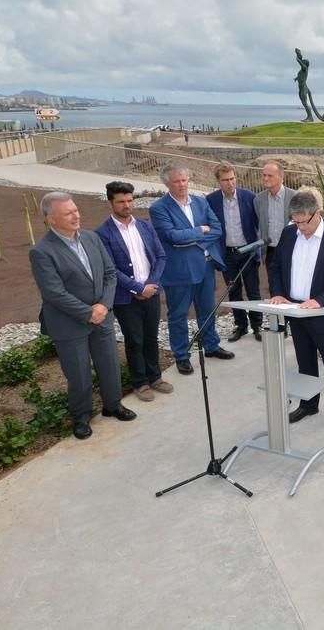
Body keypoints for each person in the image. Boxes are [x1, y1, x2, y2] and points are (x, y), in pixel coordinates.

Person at [30, 192, 136, 439]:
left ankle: (113, 405)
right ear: (51, 219)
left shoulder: (91, 238)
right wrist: (89, 312)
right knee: (78, 374)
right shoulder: (42, 252)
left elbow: (110, 274)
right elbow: (54, 292)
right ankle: (81, 416)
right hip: (69, 323)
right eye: (68, 213)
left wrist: (103, 306)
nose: (76, 215)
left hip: (102, 315)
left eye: (75, 210)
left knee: (109, 364)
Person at [268, 187, 324, 433]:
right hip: (296, 313)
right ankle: (309, 404)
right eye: (295, 222)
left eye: (303, 222)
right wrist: (277, 292)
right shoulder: (289, 234)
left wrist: (320, 300)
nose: (299, 228)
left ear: (316, 214)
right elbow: (275, 267)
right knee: (305, 363)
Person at [149, 164, 234, 375]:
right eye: (176, 181)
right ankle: (181, 355)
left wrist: (192, 239)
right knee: (178, 314)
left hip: (205, 267)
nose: (182, 185)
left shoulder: (200, 201)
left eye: (184, 180)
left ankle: (211, 346)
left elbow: (217, 229)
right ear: (167, 184)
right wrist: (199, 230)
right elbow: (171, 236)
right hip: (179, 271)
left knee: (207, 309)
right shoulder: (159, 208)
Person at [96, 181, 172, 403]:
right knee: (134, 340)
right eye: (121, 202)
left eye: (130, 200)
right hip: (125, 298)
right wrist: (138, 288)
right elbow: (110, 269)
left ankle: (155, 377)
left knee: (151, 336)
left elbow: (160, 257)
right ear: (111, 202)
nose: (127, 205)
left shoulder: (145, 226)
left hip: (152, 292)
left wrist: (151, 285)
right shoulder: (103, 233)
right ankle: (140, 382)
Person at [206, 163, 262, 343]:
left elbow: (259, 222)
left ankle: (257, 326)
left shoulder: (249, 196)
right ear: (218, 181)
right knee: (234, 291)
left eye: (232, 179)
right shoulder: (211, 200)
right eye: (225, 180)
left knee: (253, 291)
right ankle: (241, 326)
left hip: (248, 251)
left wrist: (259, 247)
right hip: (227, 253)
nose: (230, 183)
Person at [254, 160, 296, 277]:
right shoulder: (259, 199)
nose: (265, 178)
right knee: (274, 286)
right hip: (270, 251)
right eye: (264, 175)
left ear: (281, 177)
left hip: (292, 249)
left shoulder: (295, 197)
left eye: (270, 175)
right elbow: (261, 223)